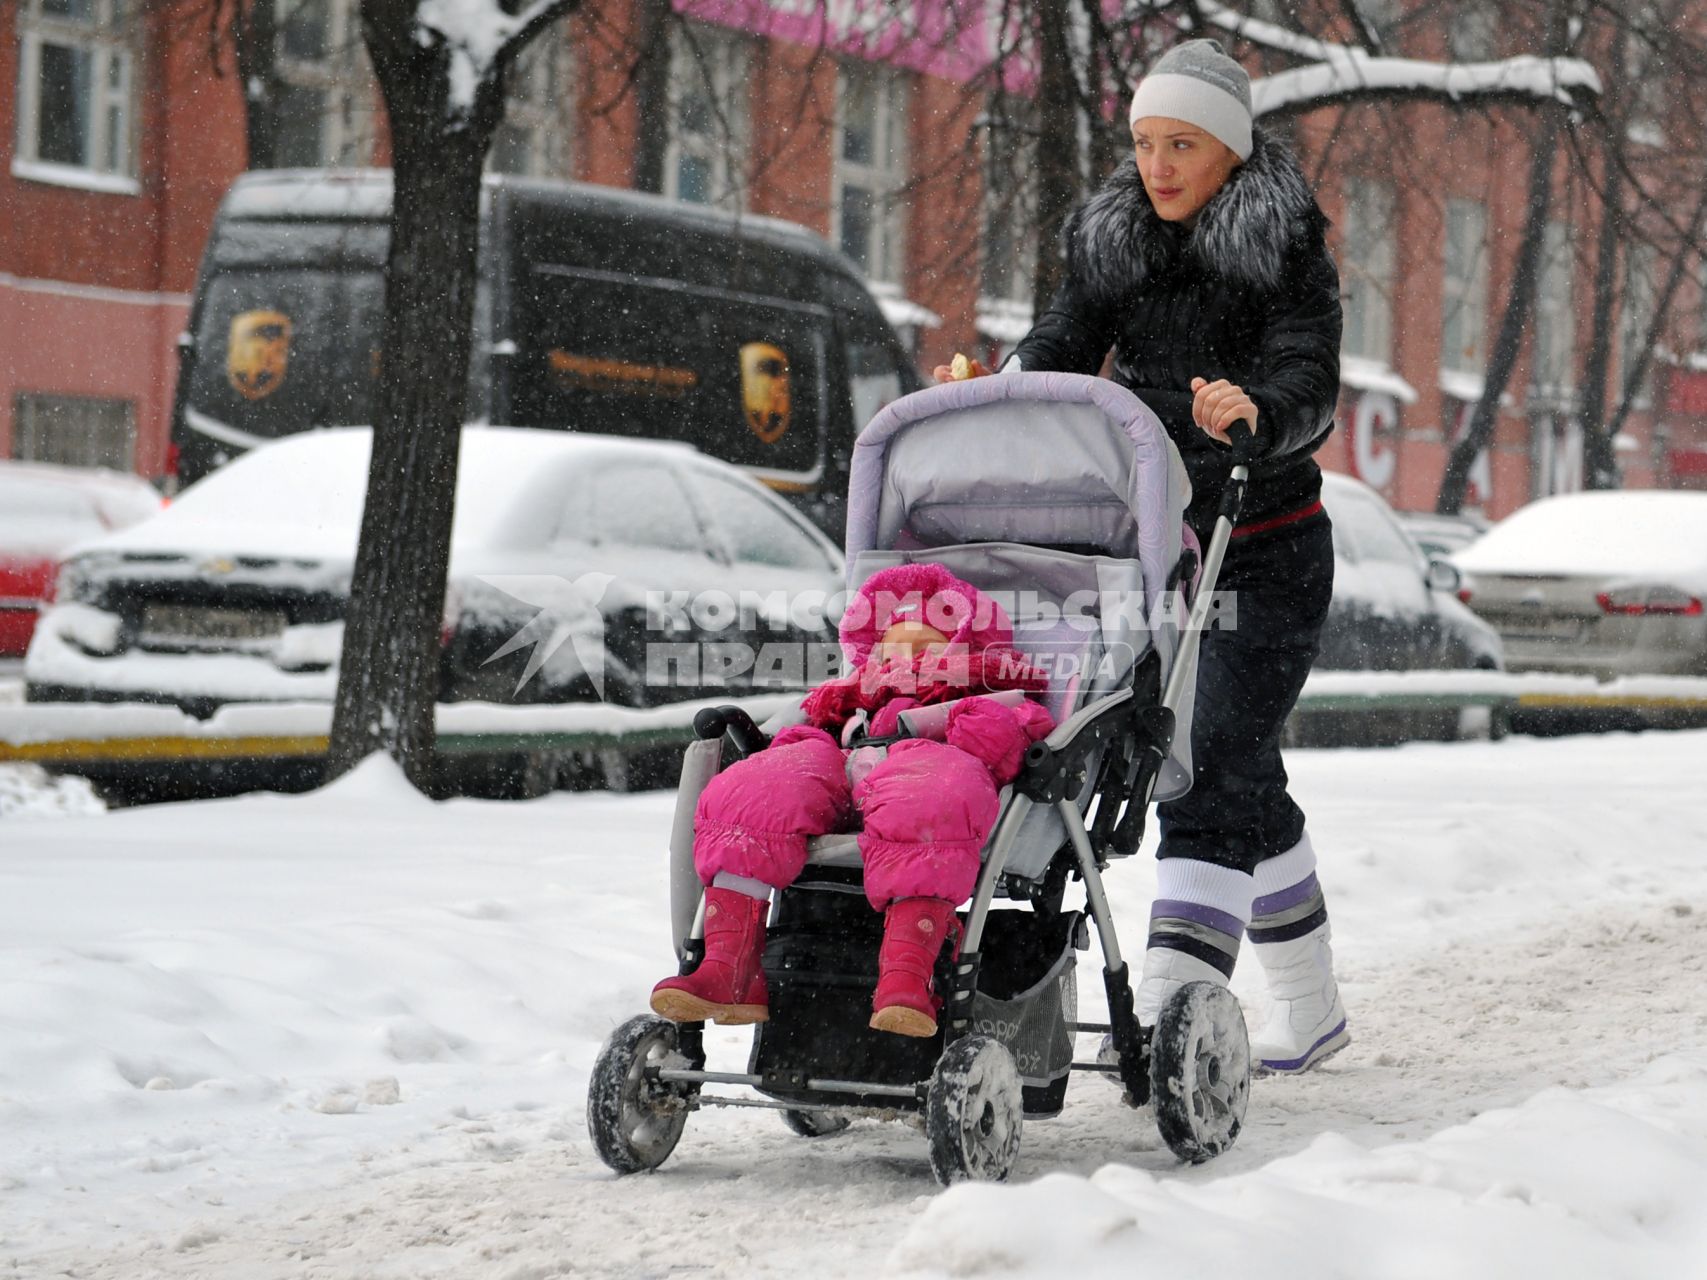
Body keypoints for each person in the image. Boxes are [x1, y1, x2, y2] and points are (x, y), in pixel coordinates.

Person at [938, 39, 1347, 1073]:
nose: (1158, 164)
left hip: (1265, 552)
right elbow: (1064, 339)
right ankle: (1315, 1006)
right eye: (1145, 142)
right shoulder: (1118, 240)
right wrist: (1000, 380)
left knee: (1201, 769)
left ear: (1229, 151)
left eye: (1183, 144)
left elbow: (1310, 375)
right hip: (1158, 551)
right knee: (1244, 771)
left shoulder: (1284, 250)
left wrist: (1261, 409)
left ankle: (1171, 1007)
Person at [651, 563, 1054, 1039]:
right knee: (755, 791)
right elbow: (805, 733)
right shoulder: (848, 701)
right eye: (893, 648)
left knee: (932, 800)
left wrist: (959, 718)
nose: (905, 661)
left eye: (925, 649)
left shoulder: (992, 695)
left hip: (925, 769)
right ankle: (728, 968)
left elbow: (1014, 741)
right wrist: (802, 740)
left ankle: (908, 977)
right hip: (843, 772)